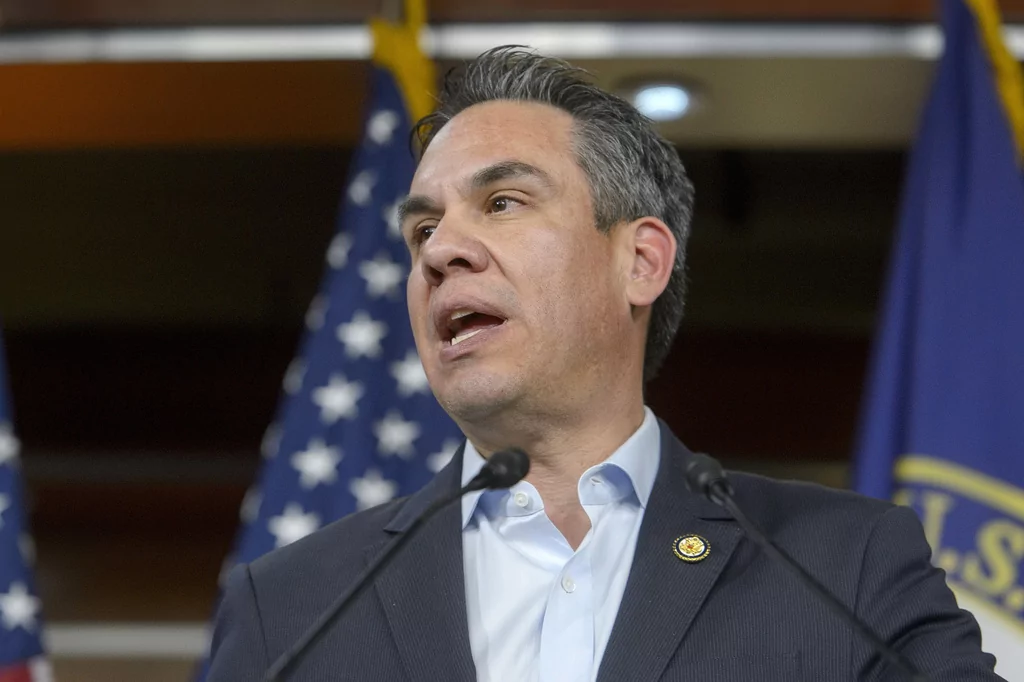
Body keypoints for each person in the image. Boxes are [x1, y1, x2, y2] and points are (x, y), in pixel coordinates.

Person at [207, 47, 1002, 682]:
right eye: (421, 233)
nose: (441, 251)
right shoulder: (292, 606)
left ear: (642, 261)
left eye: (503, 202)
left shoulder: (843, 566)